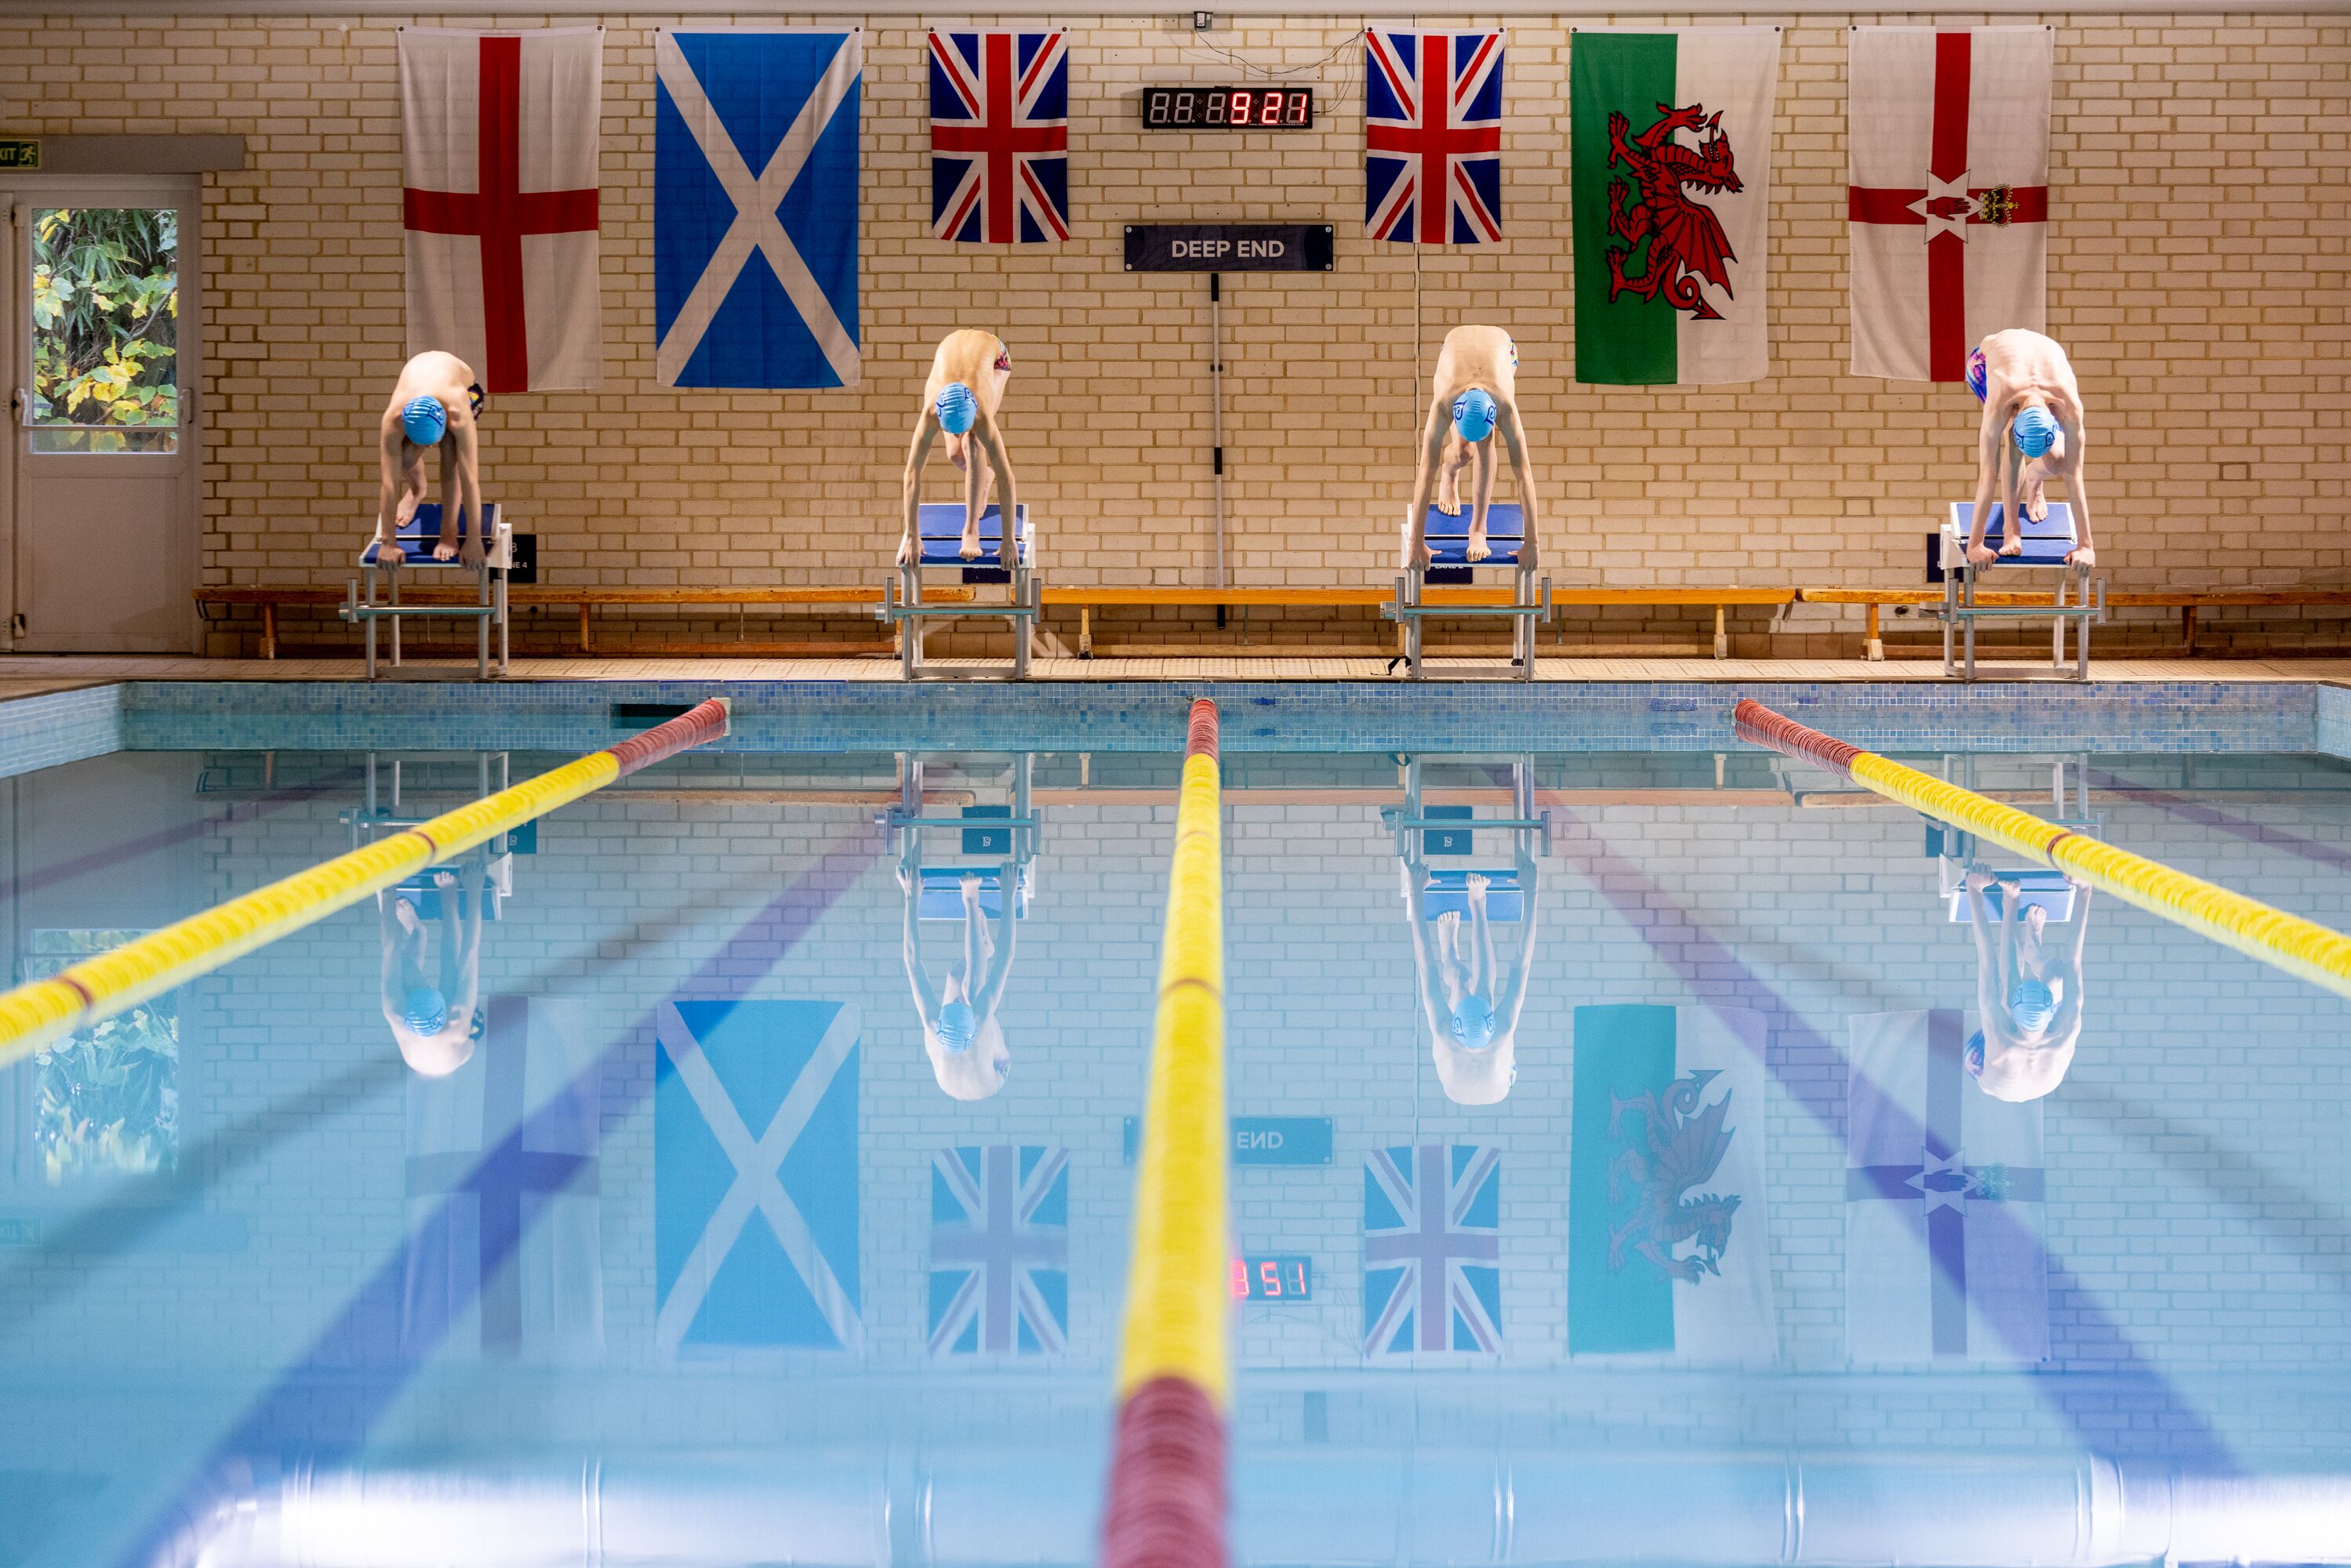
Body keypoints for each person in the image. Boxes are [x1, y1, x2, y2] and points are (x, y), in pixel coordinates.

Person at [1401, 849, 1540, 1106]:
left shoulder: (1443, 1032)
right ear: (1492, 1022)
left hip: (1455, 1090)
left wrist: (1416, 892)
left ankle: (1450, 953)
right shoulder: (1503, 1030)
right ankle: (1478, 903)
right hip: (1502, 1084)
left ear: (1454, 1021)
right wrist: (1532, 891)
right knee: (1483, 988)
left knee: (1462, 981)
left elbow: (1425, 965)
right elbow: (1522, 963)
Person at [1404, 325, 1541, 570]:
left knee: (1484, 446)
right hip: (1453, 349)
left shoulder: (1505, 405)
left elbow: (1524, 474)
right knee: (1464, 452)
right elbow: (1426, 470)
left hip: (1505, 349)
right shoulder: (1444, 402)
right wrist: (1416, 542)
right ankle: (1451, 473)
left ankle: (1478, 528)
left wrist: (1533, 543)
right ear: (1454, 415)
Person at [1964, 328, 2095, 569]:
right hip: (1983, 360)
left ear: (2055, 417)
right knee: (2011, 443)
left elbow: (2074, 475)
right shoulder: (2002, 398)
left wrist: (2087, 547)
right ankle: (2011, 526)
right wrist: (1975, 545)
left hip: (2042, 358)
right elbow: (1988, 475)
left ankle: (2034, 478)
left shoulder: (2068, 403)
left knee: (2060, 462)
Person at [1961, 868, 2091, 1101]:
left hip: (1990, 1075)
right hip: (2041, 1083)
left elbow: (1987, 960)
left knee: (2008, 984)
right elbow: (2073, 959)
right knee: (2058, 974)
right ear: (2054, 1010)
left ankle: (2011, 903)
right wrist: (2085, 888)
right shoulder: (2065, 1031)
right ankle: (2033, 949)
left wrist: (1974, 889)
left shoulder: (2001, 1036)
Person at [899, 842, 1016, 1100]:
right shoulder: (981, 1019)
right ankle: (971, 900)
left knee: (955, 978)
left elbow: (911, 959)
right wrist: (1008, 894)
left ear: (939, 1020)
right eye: (962, 1005)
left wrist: (911, 897)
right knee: (973, 988)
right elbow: (1007, 958)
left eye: (953, 1003)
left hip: (950, 1081)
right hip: (993, 1074)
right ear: (974, 1024)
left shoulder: (930, 1022)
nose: (957, 998)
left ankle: (983, 948)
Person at [900, 330, 1019, 566]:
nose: (956, 434)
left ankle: (971, 529)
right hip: (954, 357)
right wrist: (912, 535)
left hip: (996, 359)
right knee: (955, 454)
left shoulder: (981, 411)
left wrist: (1008, 540)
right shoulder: (931, 411)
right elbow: (912, 474)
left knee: (972, 442)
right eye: (951, 430)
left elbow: (1007, 478)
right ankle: (983, 477)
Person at [372, 350, 486, 568]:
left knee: (452, 456)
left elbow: (470, 479)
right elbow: (388, 483)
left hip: (466, 388)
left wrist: (474, 540)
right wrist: (388, 543)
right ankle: (417, 491)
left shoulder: (458, 412)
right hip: (421, 388)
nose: (430, 448)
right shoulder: (393, 418)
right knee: (404, 459)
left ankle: (449, 532)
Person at [380, 862, 488, 1076]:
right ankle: (449, 896)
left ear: (407, 1005)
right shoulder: (457, 1020)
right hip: (454, 1055)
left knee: (405, 965)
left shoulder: (394, 1010)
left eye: (422, 986)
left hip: (416, 1059)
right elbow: (470, 953)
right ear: (445, 1012)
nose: (428, 983)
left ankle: (419, 934)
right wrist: (475, 888)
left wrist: (387, 889)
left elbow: (389, 948)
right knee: (451, 971)